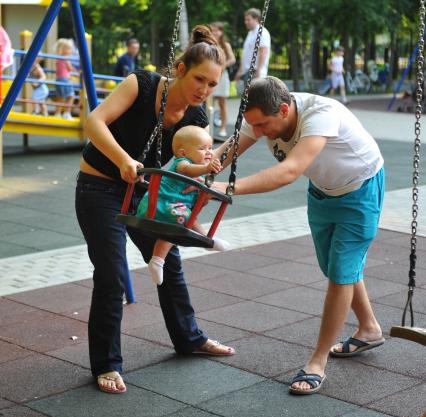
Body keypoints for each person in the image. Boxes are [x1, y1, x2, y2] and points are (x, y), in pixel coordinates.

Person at [76, 25, 236, 395]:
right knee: (112, 272)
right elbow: (94, 122)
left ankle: (189, 338)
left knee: (171, 260)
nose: (204, 91)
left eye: (212, 85)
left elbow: (191, 167)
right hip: (101, 185)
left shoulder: (197, 120)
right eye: (200, 79)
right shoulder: (142, 84)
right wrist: (122, 159)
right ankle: (107, 364)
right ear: (180, 70)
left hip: (144, 192)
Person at [214, 76, 385, 395]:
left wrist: (227, 188)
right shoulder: (263, 114)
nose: (259, 132)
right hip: (322, 190)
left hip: (360, 189)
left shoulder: (321, 113)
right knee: (336, 267)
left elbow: (288, 172)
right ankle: (370, 329)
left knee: (341, 274)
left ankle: (317, 361)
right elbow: (223, 155)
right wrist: (196, 173)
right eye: (254, 126)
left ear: (283, 109)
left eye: (263, 125)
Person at [137, 125, 230, 285]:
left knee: (171, 233)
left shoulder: (193, 171)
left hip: (169, 208)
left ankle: (157, 261)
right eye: (202, 148)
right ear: (182, 152)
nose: (209, 152)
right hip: (161, 205)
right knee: (184, 217)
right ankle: (206, 239)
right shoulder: (182, 163)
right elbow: (189, 170)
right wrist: (207, 168)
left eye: (210, 147)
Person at [234, 8, 271, 93]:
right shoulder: (250, 33)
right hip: (248, 71)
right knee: (248, 100)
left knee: (254, 99)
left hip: (255, 72)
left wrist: (259, 71)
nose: (245, 22)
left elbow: (263, 52)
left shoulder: (262, 32)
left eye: (248, 19)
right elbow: (246, 54)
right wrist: (240, 71)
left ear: (256, 19)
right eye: (245, 20)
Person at [211, 22, 236, 137]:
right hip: (210, 75)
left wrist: (223, 65)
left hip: (222, 76)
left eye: (217, 30)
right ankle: (208, 126)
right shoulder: (208, 44)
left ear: (221, 32)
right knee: (208, 102)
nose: (215, 32)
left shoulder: (225, 45)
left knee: (222, 102)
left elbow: (232, 59)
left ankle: (223, 127)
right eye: (213, 30)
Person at [54, 38, 75, 120]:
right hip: (65, 80)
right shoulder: (66, 58)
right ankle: (67, 113)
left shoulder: (58, 58)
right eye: (69, 48)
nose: (71, 50)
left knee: (60, 97)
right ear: (63, 50)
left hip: (58, 79)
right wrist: (74, 69)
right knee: (71, 96)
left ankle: (57, 113)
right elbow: (70, 68)